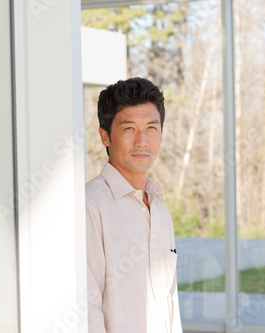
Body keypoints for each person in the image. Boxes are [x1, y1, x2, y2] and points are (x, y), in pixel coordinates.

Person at [86, 77, 182, 332]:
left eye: (152, 127)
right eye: (129, 128)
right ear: (105, 136)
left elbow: (170, 301)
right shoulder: (89, 206)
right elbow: (86, 308)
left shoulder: (161, 210)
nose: (142, 140)